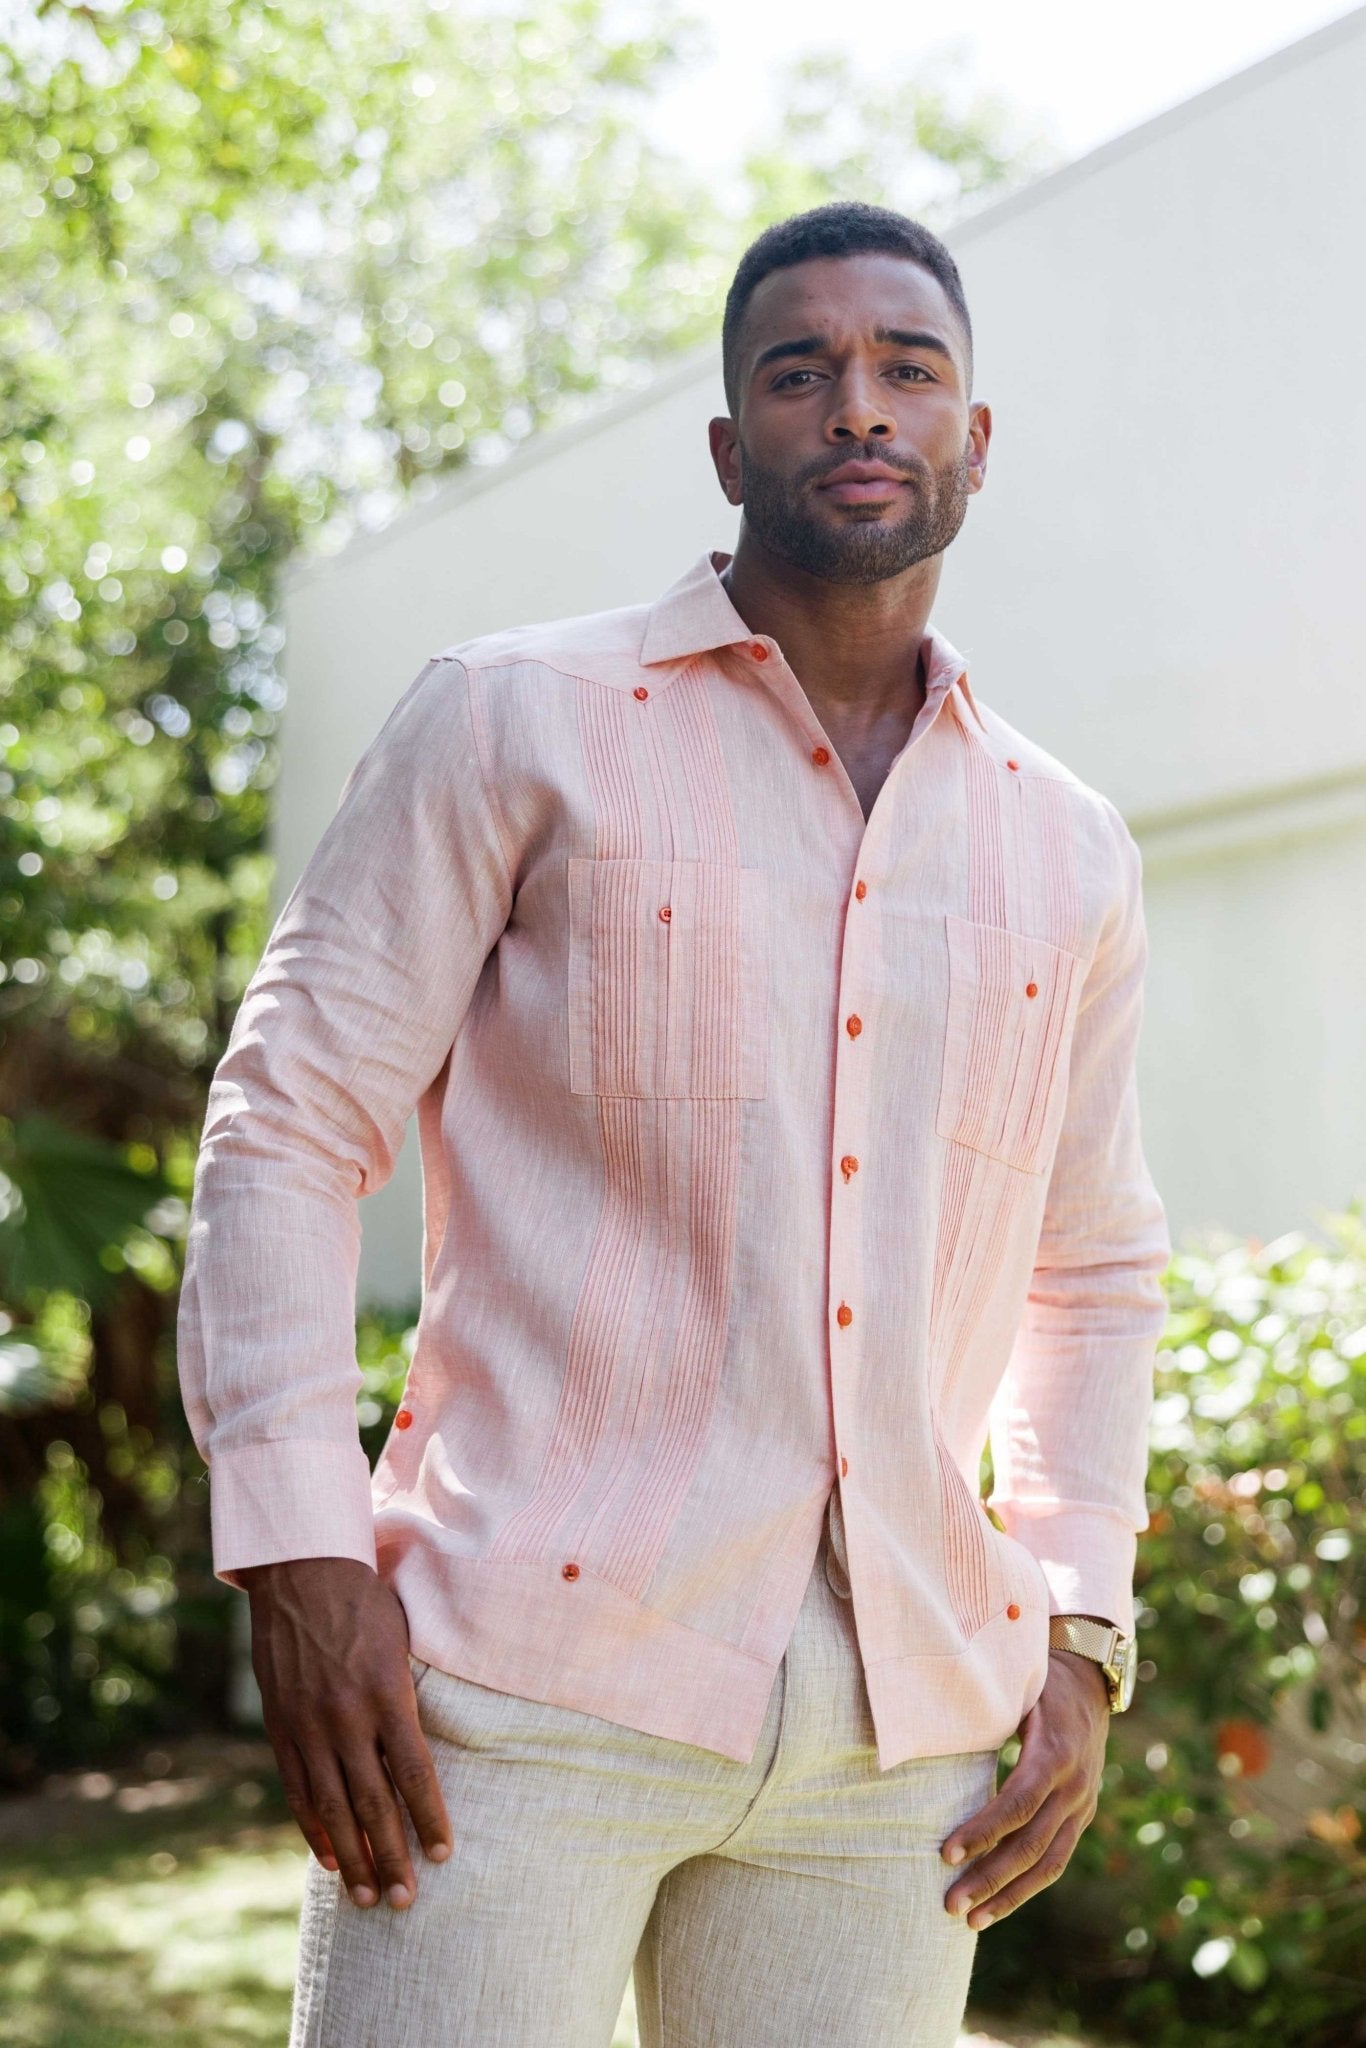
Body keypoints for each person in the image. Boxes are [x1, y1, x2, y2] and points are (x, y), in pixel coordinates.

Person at [177, 199, 1171, 2047]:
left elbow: (1093, 1265)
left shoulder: (1069, 847)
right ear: (730, 447)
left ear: (973, 438)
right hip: (517, 1679)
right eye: (800, 372)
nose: (856, 407)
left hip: (904, 1737)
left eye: (906, 369)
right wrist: (302, 1560)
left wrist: (1082, 1630)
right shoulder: (510, 721)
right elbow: (289, 1122)